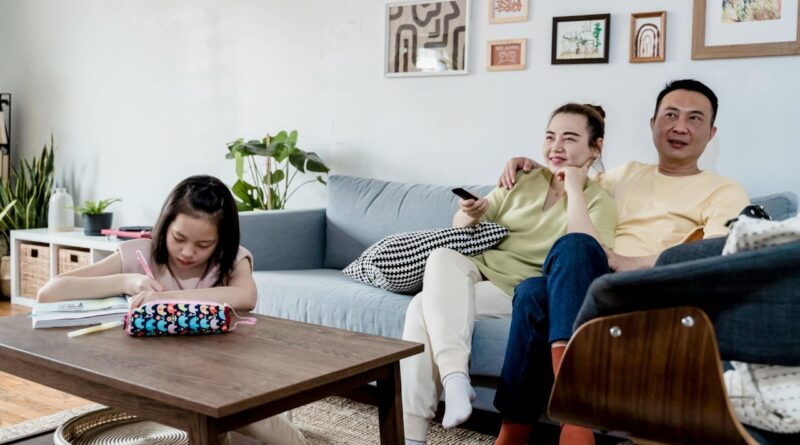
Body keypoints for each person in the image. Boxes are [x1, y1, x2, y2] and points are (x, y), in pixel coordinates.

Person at [493, 79, 750, 445]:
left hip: (651, 293)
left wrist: (631, 262)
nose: (679, 127)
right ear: (652, 123)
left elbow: (718, 252)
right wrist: (532, 165)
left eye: (694, 119)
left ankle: (565, 417)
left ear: (711, 133)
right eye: (670, 115)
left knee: (556, 269)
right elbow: (571, 176)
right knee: (537, 286)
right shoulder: (624, 174)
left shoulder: (723, 189)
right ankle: (526, 429)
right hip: (591, 288)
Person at [402, 104, 618, 445]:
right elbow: (460, 228)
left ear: (596, 147)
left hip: (520, 291)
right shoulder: (524, 180)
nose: (556, 147)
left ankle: (413, 435)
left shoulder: (599, 201)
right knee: (442, 256)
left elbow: (584, 251)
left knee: (420, 306)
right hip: (481, 275)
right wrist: (471, 213)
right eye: (550, 137)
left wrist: (575, 188)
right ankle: (455, 377)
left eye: (570, 138)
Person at [37, 175, 309, 445]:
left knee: (259, 422)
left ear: (221, 241)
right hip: (155, 383)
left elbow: (246, 296)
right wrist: (127, 280)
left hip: (223, 381)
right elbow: (49, 293)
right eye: (179, 238)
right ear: (164, 226)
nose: (188, 252)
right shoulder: (137, 255)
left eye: (204, 245)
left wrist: (165, 299)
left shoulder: (231, 260)